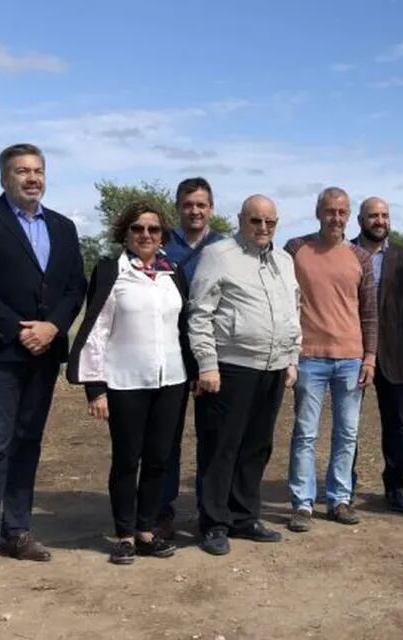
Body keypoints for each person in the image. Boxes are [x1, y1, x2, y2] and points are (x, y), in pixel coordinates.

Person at [0, 143, 87, 581]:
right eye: (22, 171)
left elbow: (74, 287)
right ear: (4, 177)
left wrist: (51, 329)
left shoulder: (64, 227)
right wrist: (17, 329)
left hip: (44, 353)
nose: (32, 178)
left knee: (28, 442)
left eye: (38, 170)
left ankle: (17, 530)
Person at [67, 201, 193, 564]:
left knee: (158, 459)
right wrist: (95, 387)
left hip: (170, 380)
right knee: (126, 460)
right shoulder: (110, 271)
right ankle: (123, 534)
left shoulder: (174, 273)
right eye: (138, 228)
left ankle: (146, 530)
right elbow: (96, 330)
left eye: (153, 230)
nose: (146, 235)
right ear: (125, 232)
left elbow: (183, 329)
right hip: (125, 382)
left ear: (163, 236)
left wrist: (195, 372)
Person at [188, 194, 301, 555]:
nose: (263, 228)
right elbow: (200, 313)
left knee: (257, 446)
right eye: (256, 221)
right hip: (230, 368)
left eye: (270, 222)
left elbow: (292, 311)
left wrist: (292, 357)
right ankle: (214, 522)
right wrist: (207, 364)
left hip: (273, 366)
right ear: (241, 220)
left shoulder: (284, 260)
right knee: (222, 446)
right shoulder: (219, 255)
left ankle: (245, 516)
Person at [285, 187, 377, 532]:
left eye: (341, 212)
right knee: (305, 433)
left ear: (348, 216)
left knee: (347, 434)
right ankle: (302, 503)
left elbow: (369, 312)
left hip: (351, 359)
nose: (335, 218)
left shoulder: (360, 257)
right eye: (329, 211)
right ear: (317, 212)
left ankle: (339, 499)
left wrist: (370, 357)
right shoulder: (296, 249)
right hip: (309, 356)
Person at [157, 177, 225, 539]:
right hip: (168, 350)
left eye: (201, 204)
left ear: (211, 208)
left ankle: (210, 511)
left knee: (212, 435)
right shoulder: (162, 245)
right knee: (167, 434)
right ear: (178, 207)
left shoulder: (226, 247)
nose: (195, 210)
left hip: (213, 353)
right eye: (188, 204)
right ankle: (162, 509)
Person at [352, 197, 403, 512]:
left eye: (384, 215)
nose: (379, 220)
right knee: (348, 421)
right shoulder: (344, 252)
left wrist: (389, 329)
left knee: (395, 421)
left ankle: (395, 485)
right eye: (373, 215)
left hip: (394, 352)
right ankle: (344, 485)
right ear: (360, 220)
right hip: (352, 351)